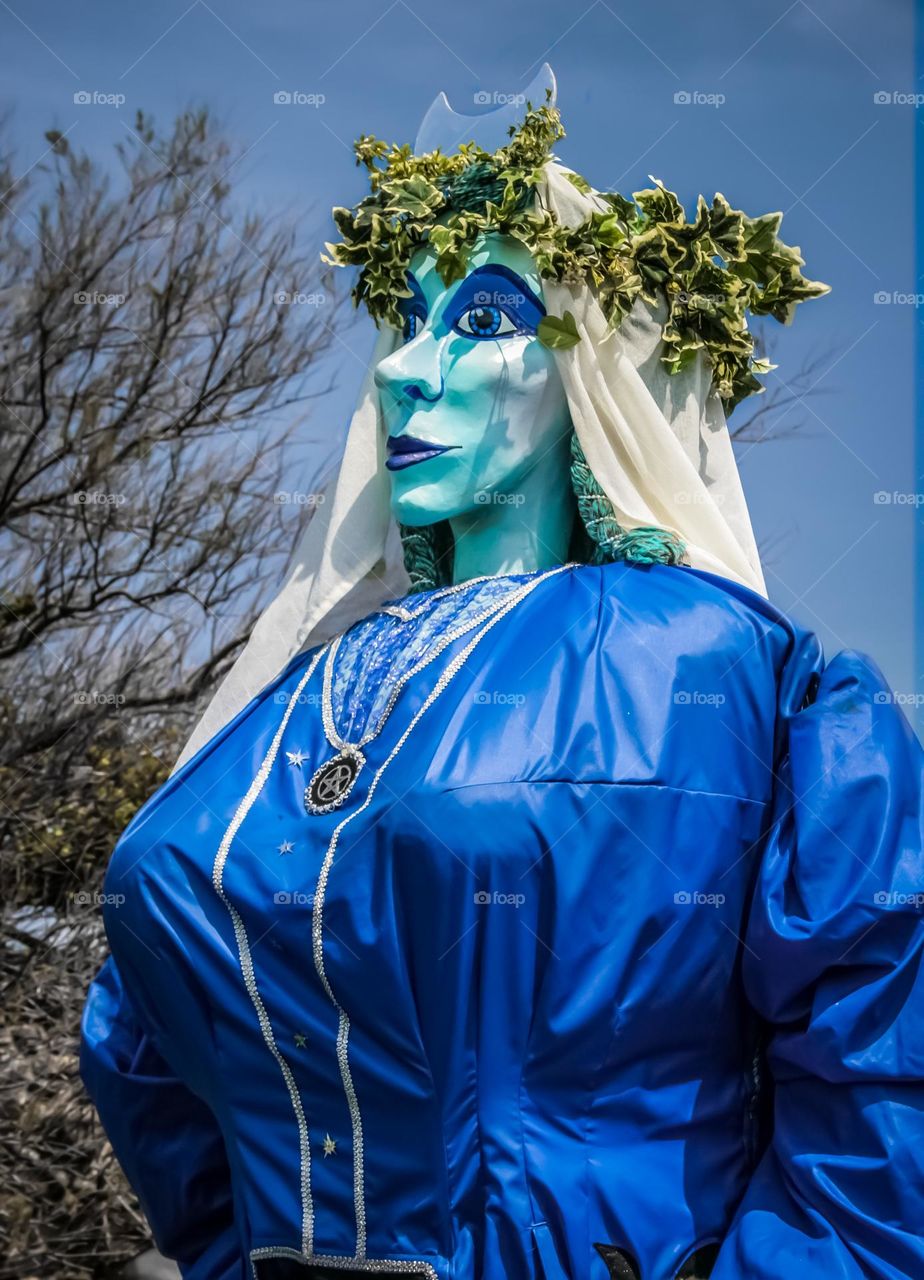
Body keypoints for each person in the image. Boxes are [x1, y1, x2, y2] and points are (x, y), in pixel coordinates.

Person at [81, 76, 924, 1280]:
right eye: (405, 321)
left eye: (481, 320)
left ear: (607, 372)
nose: (403, 369)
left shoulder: (728, 674)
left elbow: (882, 1066)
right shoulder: (280, 701)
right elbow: (142, 1039)